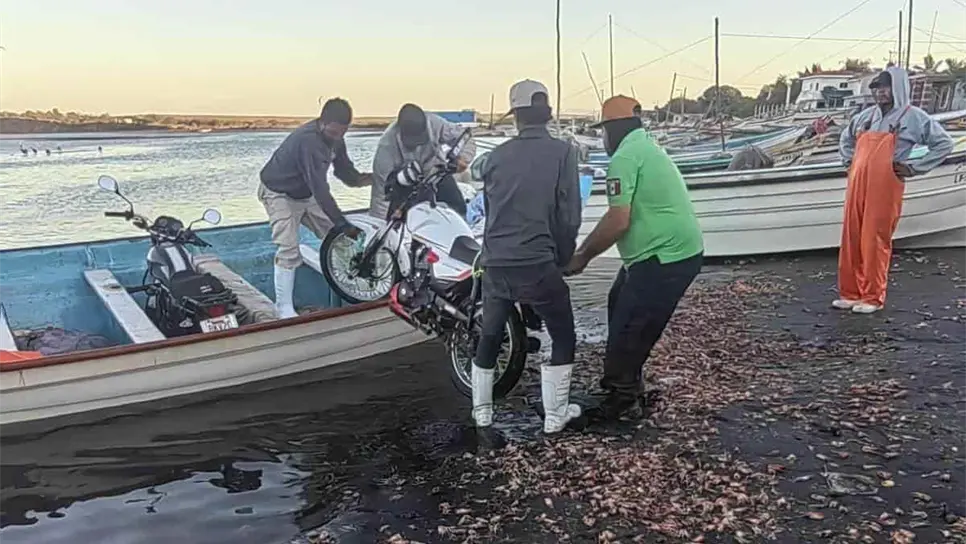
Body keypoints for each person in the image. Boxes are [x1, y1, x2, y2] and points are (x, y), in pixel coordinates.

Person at [565, 95, 704, 421]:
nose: (603, 138)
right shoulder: (647, 147)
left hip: (665, 256)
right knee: (620, 306)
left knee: (630, 325)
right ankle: (631, 384)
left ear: (614, 128)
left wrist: (582, 256)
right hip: (668, 252)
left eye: (603, 131)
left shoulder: (625, 157)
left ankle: (623, 401)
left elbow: (618, 221)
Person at [472, 79, 582, 438]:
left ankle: (482, 413)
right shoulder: (563, 153)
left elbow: (490, 212)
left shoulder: (494, 158)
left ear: (516, 116)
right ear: (547, 113)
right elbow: (569, 215)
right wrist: (563, 257)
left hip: (495, 263)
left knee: (491, 334)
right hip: (536, 262)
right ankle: (555, 415)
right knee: (562, 334)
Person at [835, 67, 954, 314]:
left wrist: (914, 168)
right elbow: (846, 139)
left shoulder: (914, 117)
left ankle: (872, 297)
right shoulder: (865, 116)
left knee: (874, 238)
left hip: (886, 183)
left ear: (898, 88)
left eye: (885, 87)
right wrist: (849, 161)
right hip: (857, 182)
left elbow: (944, 144)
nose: (880, 93)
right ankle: (851, 293)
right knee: (851, 236)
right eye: (877, 88)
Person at [258, 97, 372, 318]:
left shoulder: (337, 139)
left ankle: (355, 288)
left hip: (305, 193)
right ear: (322, 122)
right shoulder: (308, 141)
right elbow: (320, 189)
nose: (336, 137)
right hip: (278, 192)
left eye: (342, 133)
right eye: (333, 133)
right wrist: (342, 223)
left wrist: (374, 179)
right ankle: (283, 308)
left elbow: (347, 174)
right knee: (289, 248)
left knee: (340, 240)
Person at [370, 104, 476, 220]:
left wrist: (464, 158)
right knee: (406, 218)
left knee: (458, 209)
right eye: (412, 140)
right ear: (400, 132)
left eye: (420, 139)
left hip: (437, 173)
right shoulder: (386, 148)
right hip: (405, 186)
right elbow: (380, 196)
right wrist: (380, 224)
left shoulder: (435, 123)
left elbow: (466, 137)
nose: (417, 145)